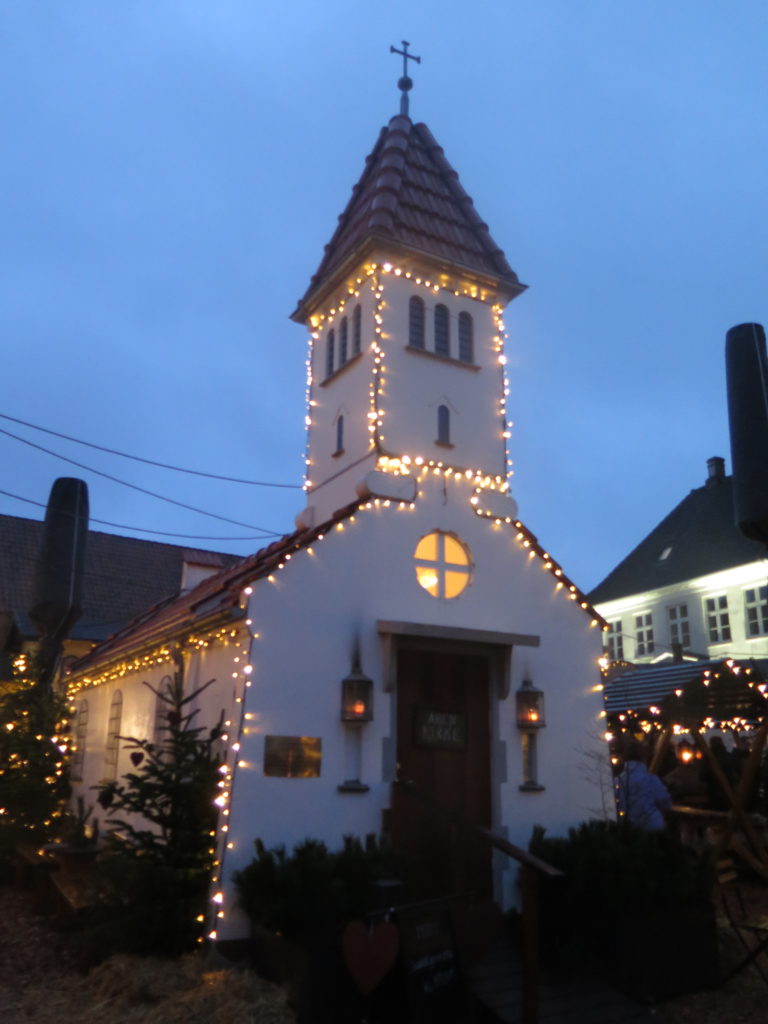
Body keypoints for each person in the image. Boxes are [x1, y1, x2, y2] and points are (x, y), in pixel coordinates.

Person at [616, 740, 672, 831]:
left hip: (626, 827)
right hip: (651, 825)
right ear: (644, 759)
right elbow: (664, 801)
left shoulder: (617, 780)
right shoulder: (650, 780)